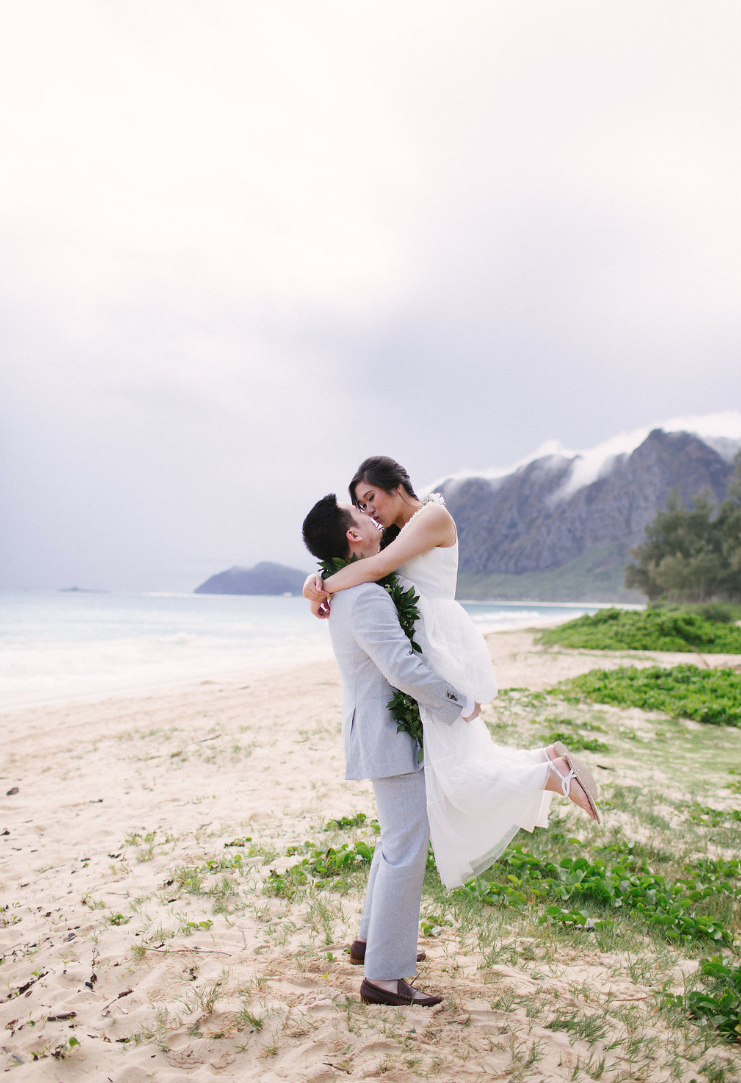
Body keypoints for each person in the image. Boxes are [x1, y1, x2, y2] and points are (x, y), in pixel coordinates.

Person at [303, 456, 600, 891]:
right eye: (360, 506)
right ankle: (544, 764)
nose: (369, 512)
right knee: (457, 765)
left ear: (397, 486)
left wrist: (321, 584)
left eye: (371, 498)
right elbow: (360, 562)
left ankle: (549, 773)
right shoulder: (393, 535)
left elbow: (375, 569)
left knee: (456, 771)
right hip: (422, 645)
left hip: (438, 646)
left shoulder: (433, 516)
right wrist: (312, 582)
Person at [302, 493, 481, 1007]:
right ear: (353, 536)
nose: (372, 516)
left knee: (396, 840)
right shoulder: (367, 597)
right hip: (388, 733)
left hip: (377, 730)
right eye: (361, 514)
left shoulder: (352, 590)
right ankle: (384, 977)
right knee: (406, 847)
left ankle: (369, 943)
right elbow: (401, 669)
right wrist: (459, 703)